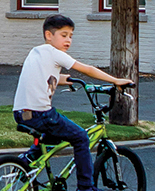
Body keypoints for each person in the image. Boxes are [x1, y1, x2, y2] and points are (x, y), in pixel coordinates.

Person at [13, 14, 132, 191]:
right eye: (63, 35)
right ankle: (86, 187)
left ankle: (26, 161)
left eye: (71, 36)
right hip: (41, 113)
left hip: (21, 112)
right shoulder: (55, 53)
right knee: (80, 137)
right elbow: (88, 69)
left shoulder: (36, 52)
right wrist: (115, 80)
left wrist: (63, 79)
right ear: (48, 35)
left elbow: (43, 76)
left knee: (51, 136)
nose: (68, 40)